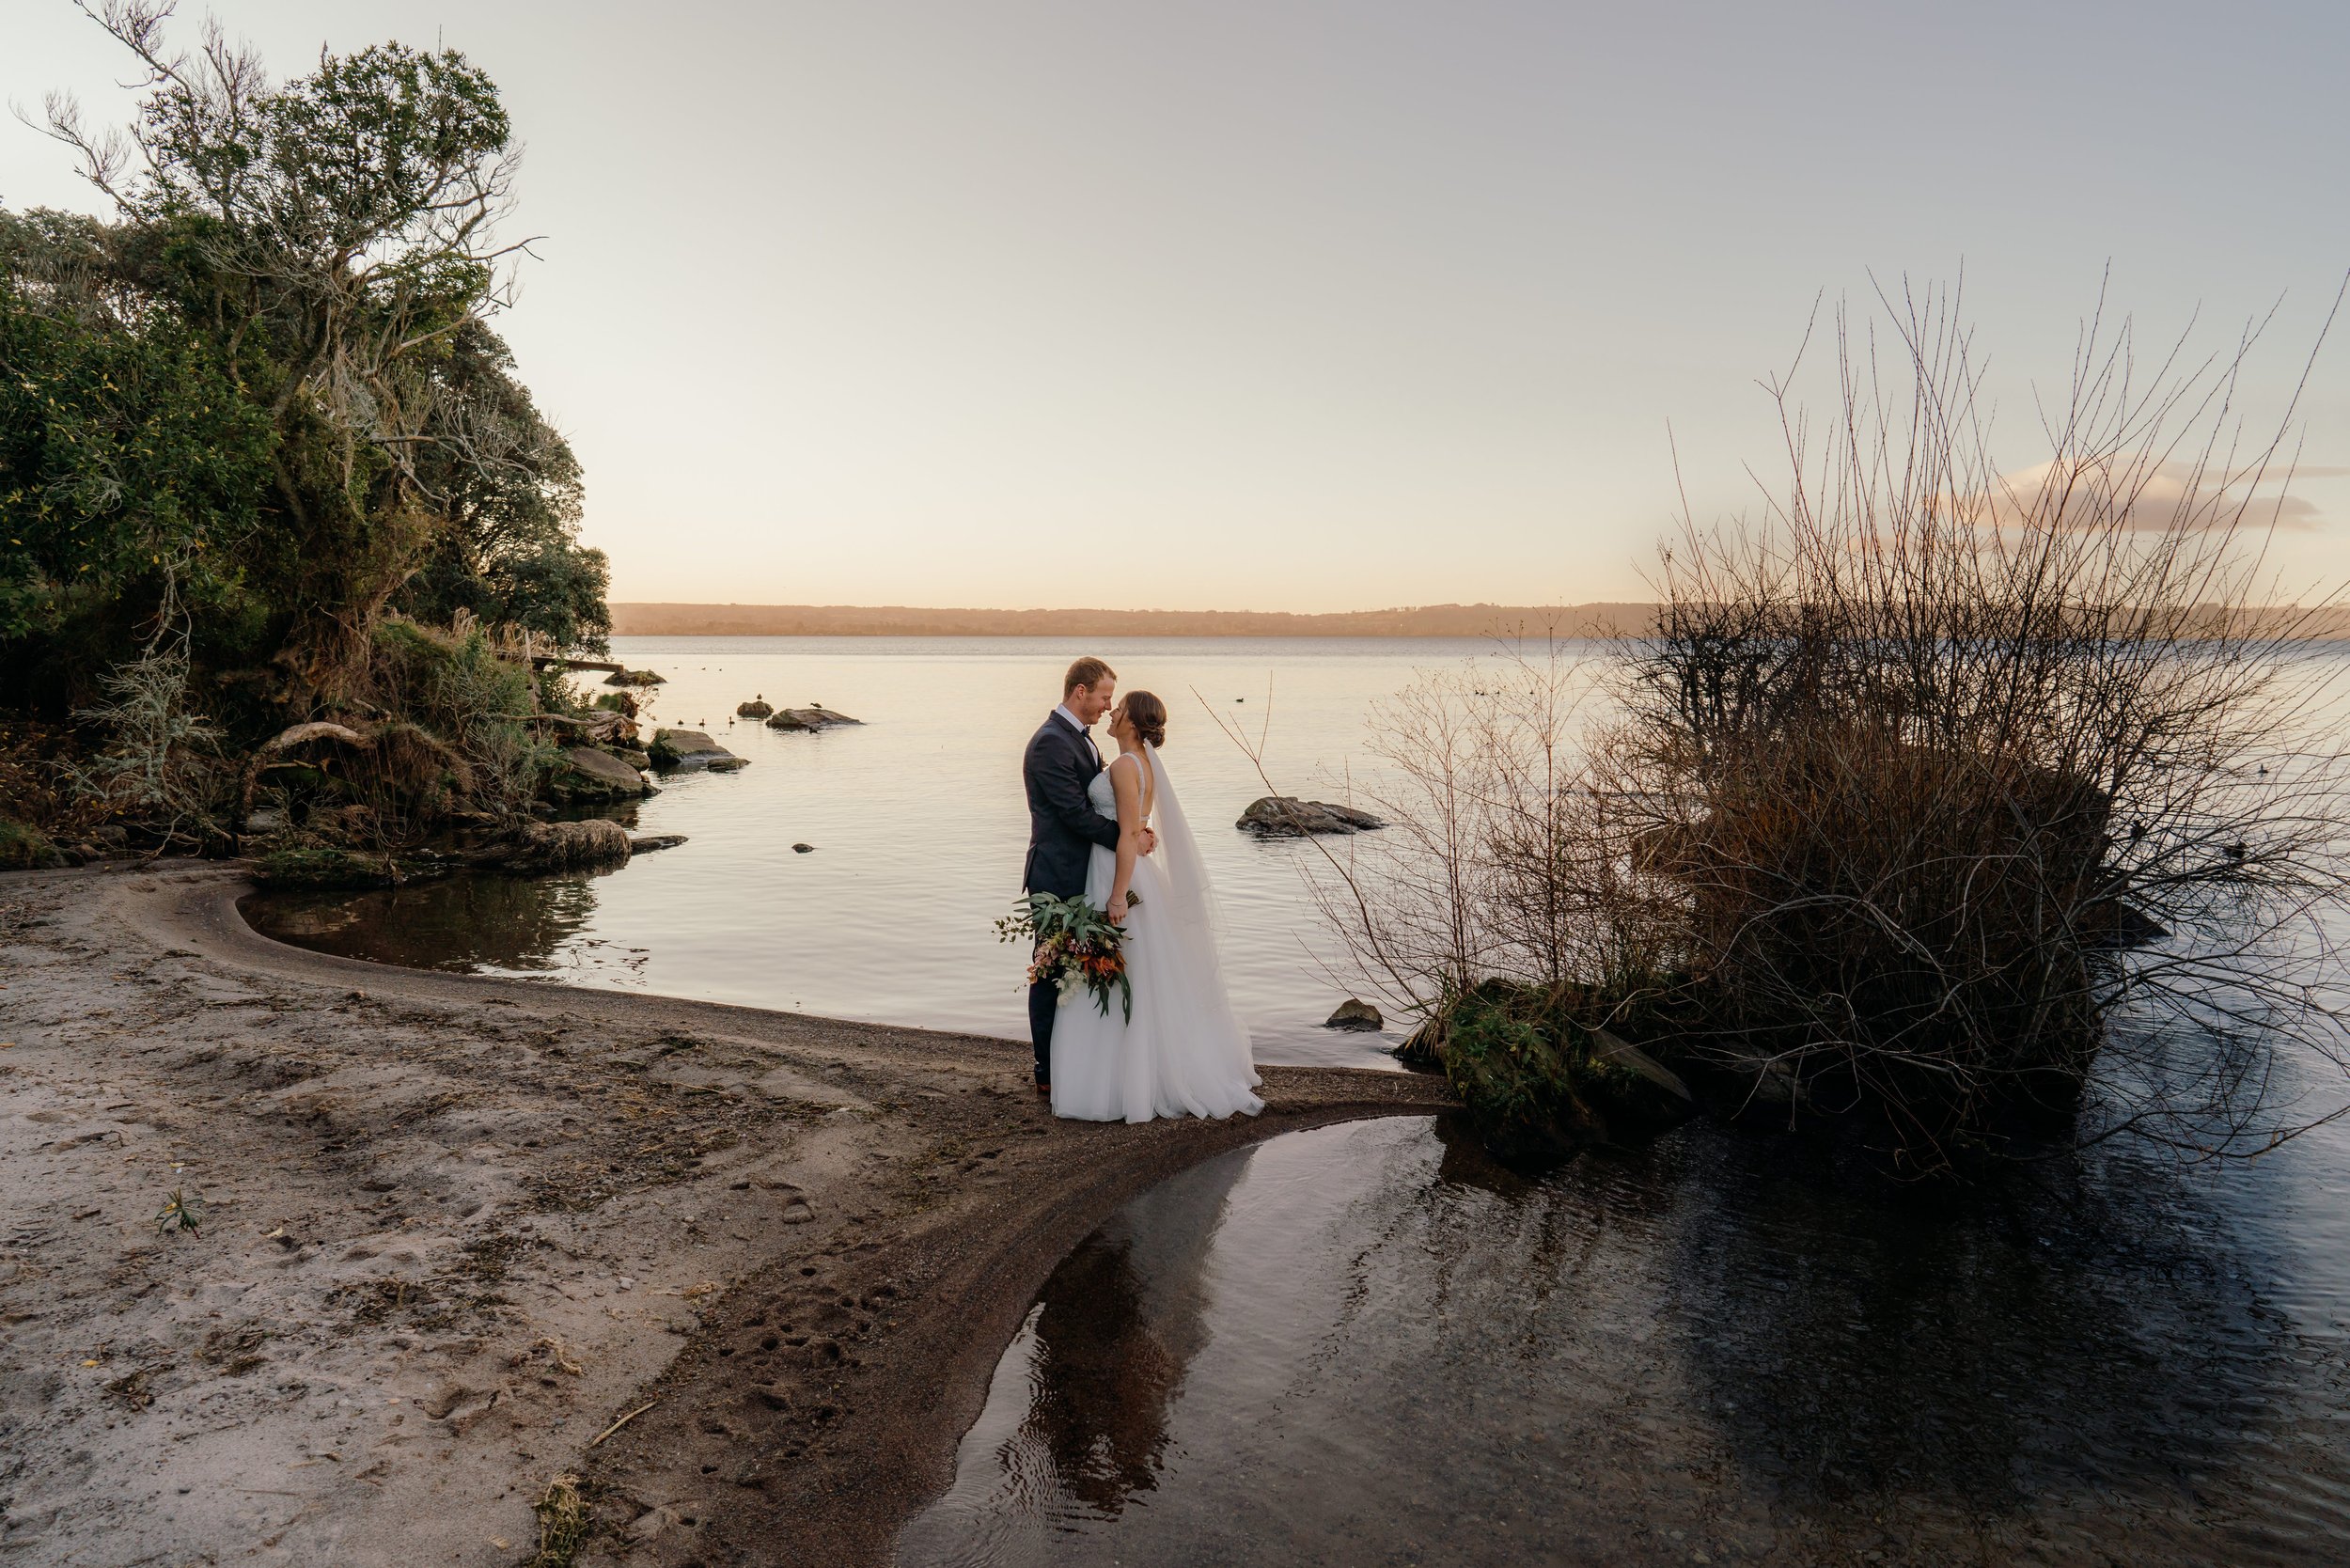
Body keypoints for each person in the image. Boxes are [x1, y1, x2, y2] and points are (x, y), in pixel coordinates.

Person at [1047, 689, 1263, 1123]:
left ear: (1132, 722)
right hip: (1123, 869)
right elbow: (1136, 829)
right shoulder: (1136, 763)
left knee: (1126, 974)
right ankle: (1130, 1073)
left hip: (1117, 874)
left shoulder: (1128, 766)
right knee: (1137, 974)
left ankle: (1121, 1082)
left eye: (1119, 708)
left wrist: (1115, 894)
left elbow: (1128, 835)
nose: (1112, 712)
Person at [1021, 658, 1152, 1092]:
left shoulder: (1083, 740)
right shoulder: (1050, 743)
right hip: (1057, 876)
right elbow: (1075, 815)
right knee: (1050, 969)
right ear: (1081, 692)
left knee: (1083, 968)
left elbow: (1106, 801)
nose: (1107, 706)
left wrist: (1133, 832)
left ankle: (1081, 1061)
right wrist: (1129, 836)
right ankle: (1046, 1071)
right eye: (1103, 697)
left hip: (1088, 874)